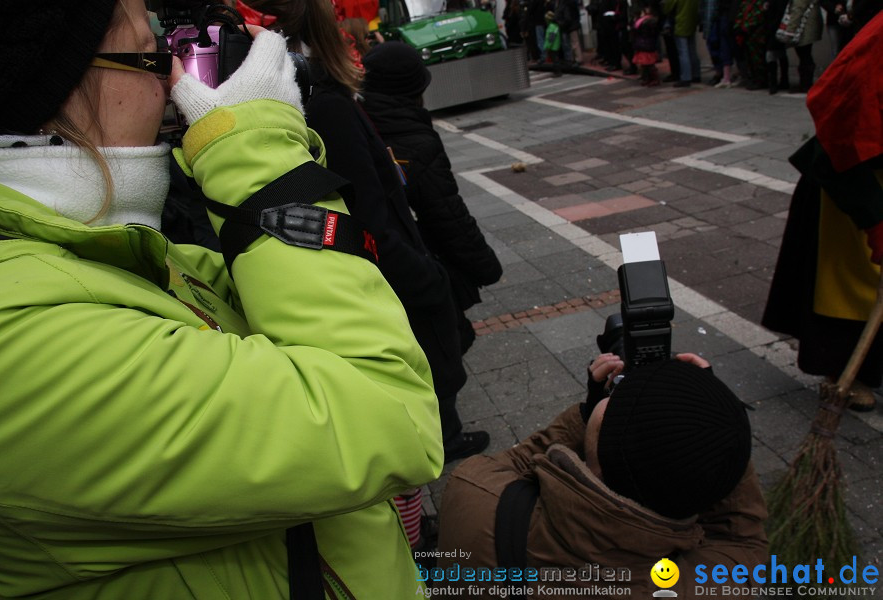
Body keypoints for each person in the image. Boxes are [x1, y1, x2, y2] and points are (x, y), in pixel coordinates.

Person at [0, 1, 445, 598]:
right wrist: (256, 150)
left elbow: (299, 318)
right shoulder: (11, 343)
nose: (173, 72)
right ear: (59, 89)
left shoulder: (101, 257)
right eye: (152, 53)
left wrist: (240, 156)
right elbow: (391, 416)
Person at [239, 0, 490, 462]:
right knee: (424, 371)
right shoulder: (328, 103)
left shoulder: (318, 95)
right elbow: (369, 213)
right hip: (393, 272)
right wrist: (426, 278)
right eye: (337, 19)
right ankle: (434, 450)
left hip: (379, 264)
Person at [435, 355, 768, 599]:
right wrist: (718, 424)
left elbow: (520, 459)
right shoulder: (710, 586)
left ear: (601, 452)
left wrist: (584, 415)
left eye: (613, 402)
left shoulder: (472, 494)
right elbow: (742, 539)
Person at [763, 12, 883, 412]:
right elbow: (842, 122)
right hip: (850, 170)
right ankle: (845, 371)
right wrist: (876, 221)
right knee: (851, 283)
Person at [360, 42, 504, 355]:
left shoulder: (359, 124)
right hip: (411, 270)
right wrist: (487, 267)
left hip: (370, 272)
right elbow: (446, 215)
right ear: (413, 89)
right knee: (442, 365)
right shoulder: (414, 139)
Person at [663, 0, 701, 86]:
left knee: (683, 52)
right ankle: (696, 74)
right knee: (692, 50)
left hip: (680, 23)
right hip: (691, 22)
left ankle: (686, 77)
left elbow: (667, 8)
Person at [631, 3, 661, 86]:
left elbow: (645, 32)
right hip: (642, 44)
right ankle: (647, 78)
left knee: (649, 63)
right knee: (644, 63)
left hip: (646, 44)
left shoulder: (649, 21)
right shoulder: (642, 20)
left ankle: (653, 78)